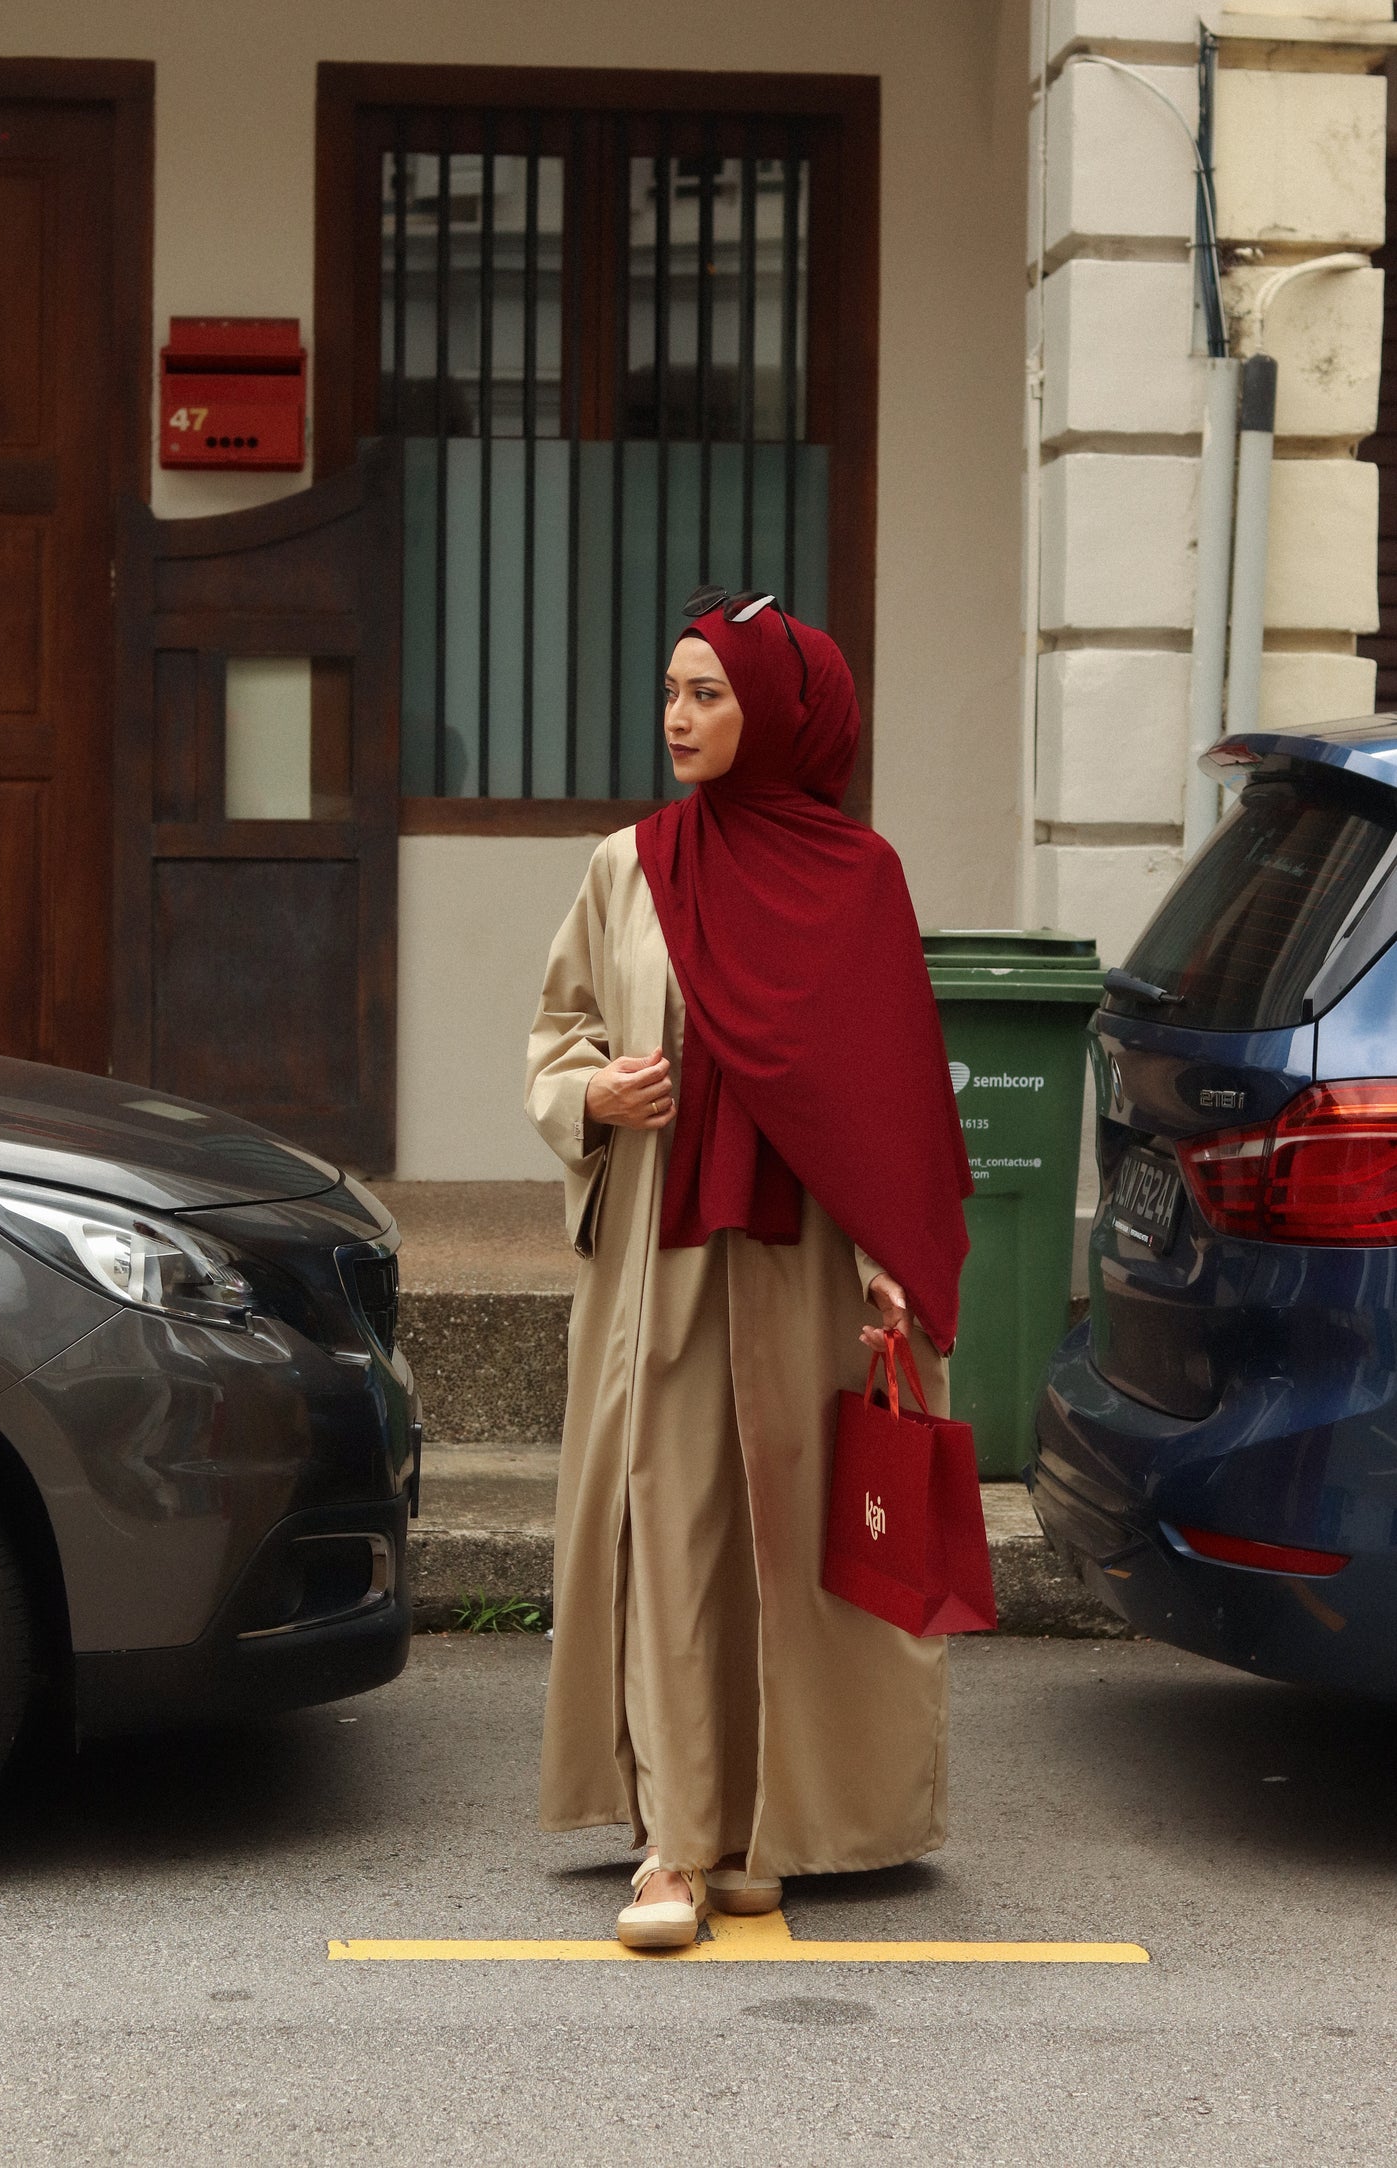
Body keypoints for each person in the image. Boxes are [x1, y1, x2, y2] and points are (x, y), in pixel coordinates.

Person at [525, 587, 972, 1950]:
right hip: (659, 1263)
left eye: (707, 693)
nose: (677, 715)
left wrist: (892, 1261)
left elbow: (891, 1099)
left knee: (794, 1543)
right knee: (669, 1527)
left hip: (810, 1273)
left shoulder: (858, 879)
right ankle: (675, 1843)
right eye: (670, 690)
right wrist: (592, 1095)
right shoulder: (629, 867)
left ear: (775, 712)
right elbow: (559, 1030)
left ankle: (772, 1827)